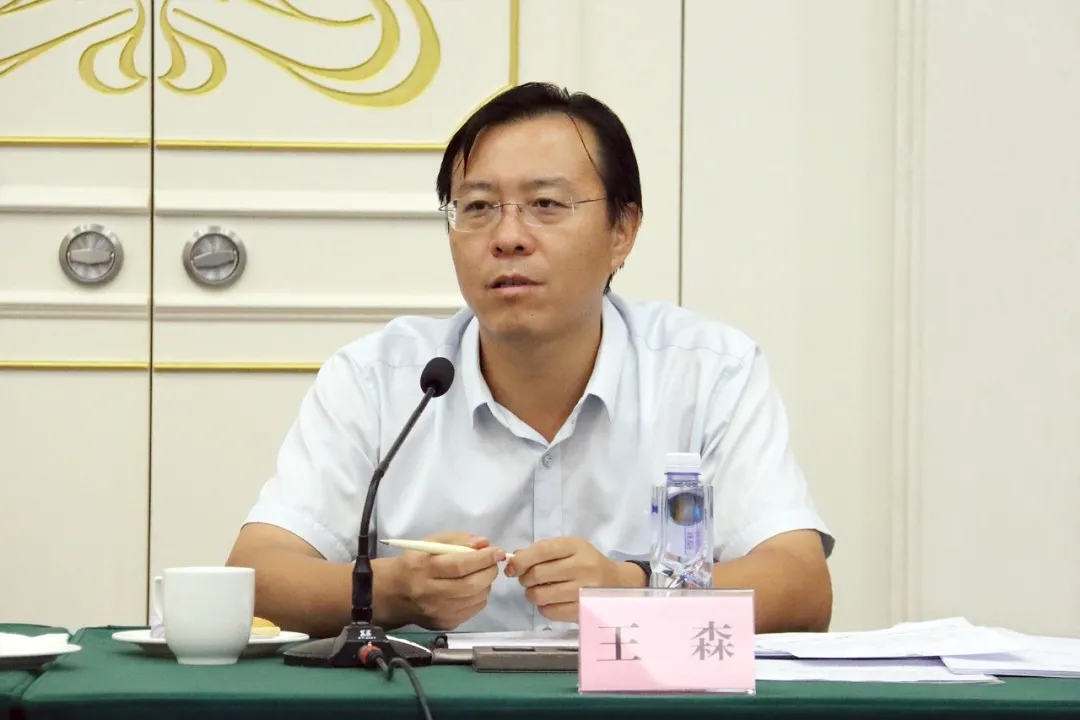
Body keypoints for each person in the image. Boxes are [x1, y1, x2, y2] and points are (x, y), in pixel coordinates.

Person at [226, 82, 835, 638]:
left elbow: (800, 587)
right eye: (478, 207)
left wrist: (632, 588)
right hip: (435, 703)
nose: (508, 237)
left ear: (622, 231)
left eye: (546, 204)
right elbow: (257, 576)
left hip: (637, 703)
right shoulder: (379, 379)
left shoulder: (708, 372)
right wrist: (394, 590)